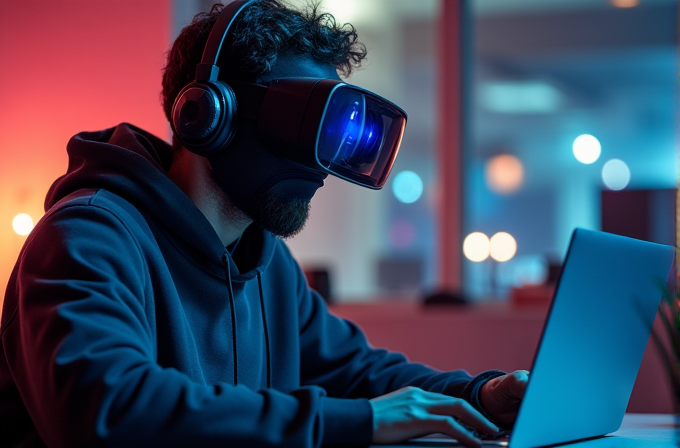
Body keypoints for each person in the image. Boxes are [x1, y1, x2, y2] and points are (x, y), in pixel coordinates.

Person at [0, 1, 528, 447]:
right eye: (307, 129)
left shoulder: (265, 259)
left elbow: (358, 374)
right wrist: (356, 423)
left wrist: (478, 395)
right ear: (208, 115)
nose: (321, 165)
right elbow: (107, 410)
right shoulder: (87, 237)